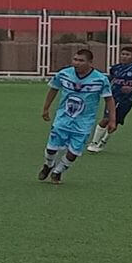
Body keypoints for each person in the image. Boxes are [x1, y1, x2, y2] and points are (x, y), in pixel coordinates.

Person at [39, 49, 115, 184]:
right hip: (63, 118)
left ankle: (58, 171)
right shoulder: (63, 74)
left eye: (81, 60)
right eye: (75, 59)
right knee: (51, 148)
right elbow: (53, 89)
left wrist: (112, 120)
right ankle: (48, 165)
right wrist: (46, 108)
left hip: (84, 122)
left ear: (90, 63)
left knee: (73, 152)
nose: (77, 63)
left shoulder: (100, 79)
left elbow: (109, 99)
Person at [87, 46, 132, 153]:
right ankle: (94, 142)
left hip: (127, 100)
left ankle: (103, 142)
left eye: (127, 55)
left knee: (116, 122)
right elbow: (109, 80)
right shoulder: (115, 68)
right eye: (123, 54)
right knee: (106, 119)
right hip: (112, 97)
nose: (124, 57)